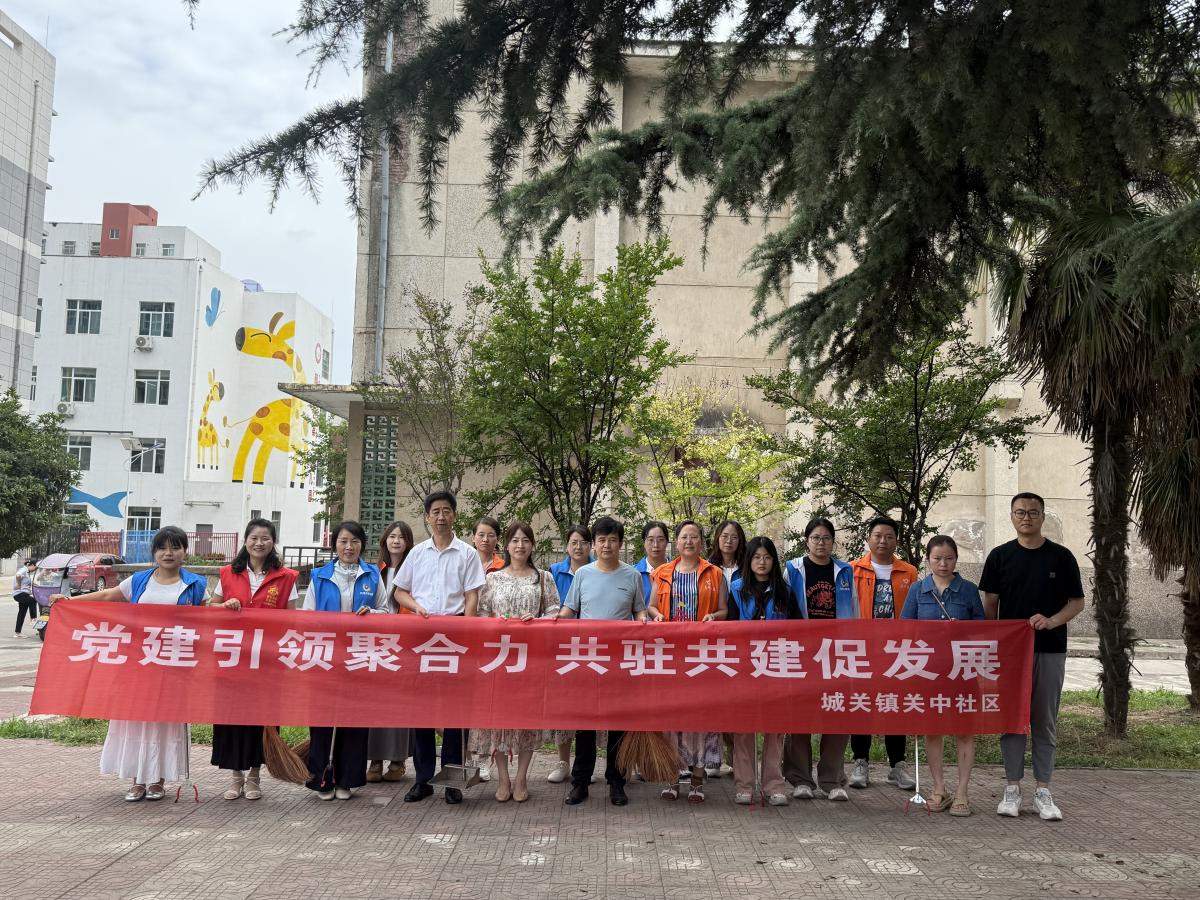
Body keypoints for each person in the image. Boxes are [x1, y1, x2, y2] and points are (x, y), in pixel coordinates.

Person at [50, 526, 207, 802]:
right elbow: (108, 596)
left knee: (164, 721)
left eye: (175, 547)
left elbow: (211, 617)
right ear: (154, 552)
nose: (168, 553)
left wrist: (229, 605)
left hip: (174, 665)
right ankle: (137, 780)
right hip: (139, 663)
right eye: (162, 548)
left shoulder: (196, 585)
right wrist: (70, 601)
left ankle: (157, 780)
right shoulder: (139, 580)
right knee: (135, 718)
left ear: (185, 551)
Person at [981, 492, 1085, 822]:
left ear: (1042, 516)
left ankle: (1043, 790)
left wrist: (1052, 621)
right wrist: (995, 641)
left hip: (1050, 650)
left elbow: (1076, 602)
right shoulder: (999, 556)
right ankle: (1012, 787)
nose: (1026, 517)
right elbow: (990, 604)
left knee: (1044, 720)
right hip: (1011, 655)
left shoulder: (1061, 557)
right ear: (1012, 516)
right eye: (1020, 512)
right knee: (1012, 720)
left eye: (1033, 512)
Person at [393, 490, 486, 805]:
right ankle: (422, 780)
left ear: (454, 515)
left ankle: (453, 781)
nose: (442, 517)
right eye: (436, 512)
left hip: (456, 636)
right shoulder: (417, 553)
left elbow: (472, 596)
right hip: (422, 637)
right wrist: (415, 607)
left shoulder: (467, 554)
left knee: (456, 712)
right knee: (421, 710)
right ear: (427, 517)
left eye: (447, 511)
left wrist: (467, 630)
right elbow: (399, 592)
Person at [559, 516, 647, 806]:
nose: (607, 545)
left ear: (620, 543)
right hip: (588, 659)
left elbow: (639, 611)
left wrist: (644, 622)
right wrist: (545, 622)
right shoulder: (583, 574)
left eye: (612, 540)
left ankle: (617, 782)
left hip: (620, 661)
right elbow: (569, 611)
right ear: (594, 544)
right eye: (601, 540)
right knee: (585, 723)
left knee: (618, 723)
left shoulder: (632, 575)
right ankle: (580, 782)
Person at [209, 518, 299, 801]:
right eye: (254, 538)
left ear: (273, 542)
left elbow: (293, 618)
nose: (259, 543)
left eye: (265, 538)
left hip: (267, 660)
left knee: (262, 718)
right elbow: (211, 608)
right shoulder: (228, 573)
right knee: (232, 717)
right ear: (246, 541)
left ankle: (255, 776)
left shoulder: (286, 577)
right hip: (233, 659)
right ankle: (236, 776)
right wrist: (225, 605)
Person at [470, 521, 560, 802]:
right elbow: (481, 613)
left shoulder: (543, 578)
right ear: (506, 545)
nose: (520, 545)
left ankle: (521, 778)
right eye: (515, 540)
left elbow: (555, 611)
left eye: (525, 540)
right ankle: (503, 779)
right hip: (499, 659)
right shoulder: (493, 578)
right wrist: (497, 623)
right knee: (496, 719)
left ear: (532, 545)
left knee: (526, 720)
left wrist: (538, 622)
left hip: (530, 660)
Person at [301, 520, 390, 801]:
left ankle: (347, 780)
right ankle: (322, 779)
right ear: (335, 545)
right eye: (343, 541)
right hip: (326, 655)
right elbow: (307, 616)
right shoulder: (319, 576)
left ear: (362, 544)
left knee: (354, 719)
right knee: (323, 719)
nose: (349, 547)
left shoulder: (372, 575)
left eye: (354, 541)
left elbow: (386, 611)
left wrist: (371, 615)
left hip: (360, 656)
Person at [901, 535, 985, 815]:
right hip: (928, 671)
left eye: (949, 558)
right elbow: (904, 628)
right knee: (932, 730)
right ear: (928, 560)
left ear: (956, 560)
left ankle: (962, 792)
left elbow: (982, 628)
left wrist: (963, 629)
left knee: (964, 730)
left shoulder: (968, 590)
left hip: (962, 669)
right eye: (937, 558)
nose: (943, 564)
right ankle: (939, 788)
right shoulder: (918, 589)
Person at [647, 520, 727, 801]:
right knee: (671, 715)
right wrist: (657, 615)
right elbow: (651, 605)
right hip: (671, 654)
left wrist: (714, 617)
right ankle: (672, 777)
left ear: (702, 542)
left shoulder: (715, 573)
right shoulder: (661, 573)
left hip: (702, 654)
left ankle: (697, 779)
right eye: (684, 537)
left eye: (694, 537)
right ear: (677, 542)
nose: (689, 542)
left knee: (700, 715)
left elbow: (724, 610)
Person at [782, 517, 859, 801]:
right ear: (806, 541)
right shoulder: (793, 569)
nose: (821, 543)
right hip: (802, 652)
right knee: (799, 716)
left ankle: (831, 778)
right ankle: (800, 778)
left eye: (826, 538)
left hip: (837, 653)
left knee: (837, 712)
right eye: (816, 538)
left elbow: (854, 610)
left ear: (833, 542)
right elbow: (784, 608)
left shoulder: (844, 571)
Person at [727, 536, 802, 806]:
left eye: (767, 557)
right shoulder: (737, 589)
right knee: (743, 729)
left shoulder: (785, 591)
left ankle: (774, 785)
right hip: (745, 668)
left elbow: (799, 629)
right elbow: (729, 629)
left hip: (777, 668)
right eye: (757, 557)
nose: (762, 562)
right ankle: (744, 785)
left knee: (775, 728)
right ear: (749, 560)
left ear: (774, 561)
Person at [847, 515, 919, 792]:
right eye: (877, 536)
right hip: (862, 648)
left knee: (895, 703)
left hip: (897, 650)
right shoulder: (852, 570)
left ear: (896, 541)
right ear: (868, 538)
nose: (883, 541)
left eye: (889, 536)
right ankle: (860, 762)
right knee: (862, 703)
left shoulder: (908, 572)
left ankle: (897, 764)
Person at [367, 520, 416, 783]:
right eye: (392, 536)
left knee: (400, 704)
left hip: (406, 644)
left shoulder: (416, 570)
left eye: (401, 537)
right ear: (385, 540)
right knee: (375, 703)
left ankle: (397, 759)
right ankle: (374, 759)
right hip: (376, 645)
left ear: (408, 543)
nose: (396, 541)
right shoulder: (373, 572)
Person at [546, 525, 593, 784]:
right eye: (574, 542)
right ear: (566, 546)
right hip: (562, 648)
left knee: (590, 708)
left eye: (583, 542)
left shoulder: (599, 569)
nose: (578, 547)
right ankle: (563, 762)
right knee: (564, 707)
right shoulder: (554, 572)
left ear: (591, 545)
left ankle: (587, 765)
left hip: (594, 648)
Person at [706, 519, 746, 778]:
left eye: (734, 536)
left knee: (737, 701)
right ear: (717, 539)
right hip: (714, 641)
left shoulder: (748, 567)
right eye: (724, 536)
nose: (728, 541)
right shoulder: (707, 568)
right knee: (713, 700)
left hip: (741, 641)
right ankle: (713, 757)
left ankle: (735, 756)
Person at [633, 520, 670, 604]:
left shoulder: (678, 572)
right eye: (650, 540)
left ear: (667, 542)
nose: (655, 545)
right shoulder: (633, 573)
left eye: (660, 540)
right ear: (644, 542)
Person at [12, 557, 36, 638]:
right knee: (32, 600)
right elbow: (18, 575)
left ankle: (17, 633)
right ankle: (33, 619)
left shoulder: (27, 572)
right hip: (20, 594)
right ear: (32, 565)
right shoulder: (24, 570)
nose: (35, 570)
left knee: (22, 613)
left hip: (23, 594)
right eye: (35, 568)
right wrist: (18, 584)